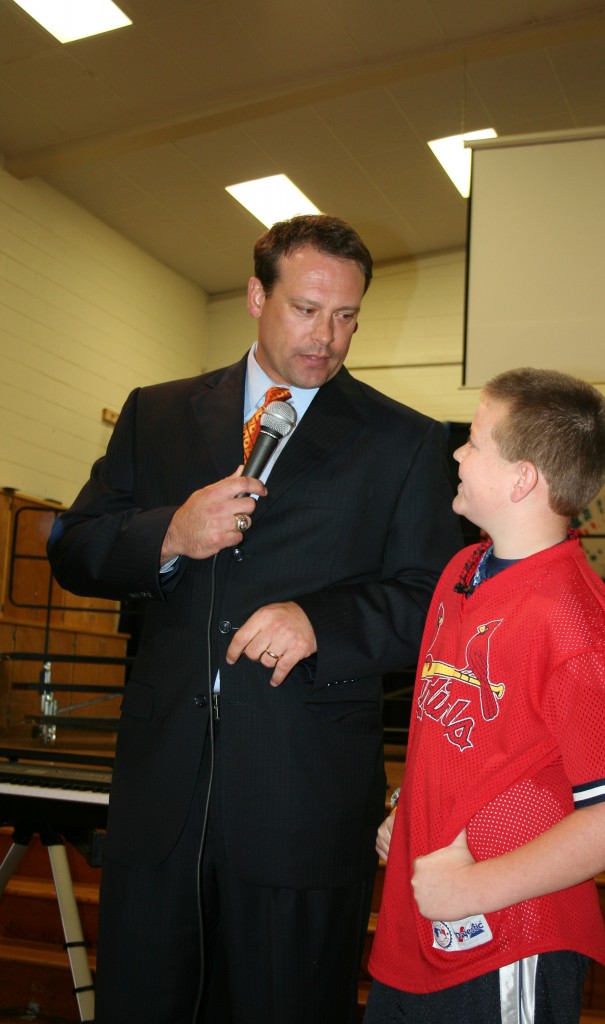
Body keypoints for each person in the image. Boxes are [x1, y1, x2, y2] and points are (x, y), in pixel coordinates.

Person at [46, 214, 461, 1024]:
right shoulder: (156, 413)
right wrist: (167, 532)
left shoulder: (403, 442)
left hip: (301, 803)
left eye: (347, 317)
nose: (328, 337)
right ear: (254, 295)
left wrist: (322, 623)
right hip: (161, 797)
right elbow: (74, 546)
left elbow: (430, 601)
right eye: (307, 309)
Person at [365, 367, 605, 1024]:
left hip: (506, 939)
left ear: (523, 478)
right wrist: (407, 809)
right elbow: (469, 735)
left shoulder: (574, 621)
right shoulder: (461, 571)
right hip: (418, 929)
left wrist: (473, 884)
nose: (457, 455)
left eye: (473, 441)